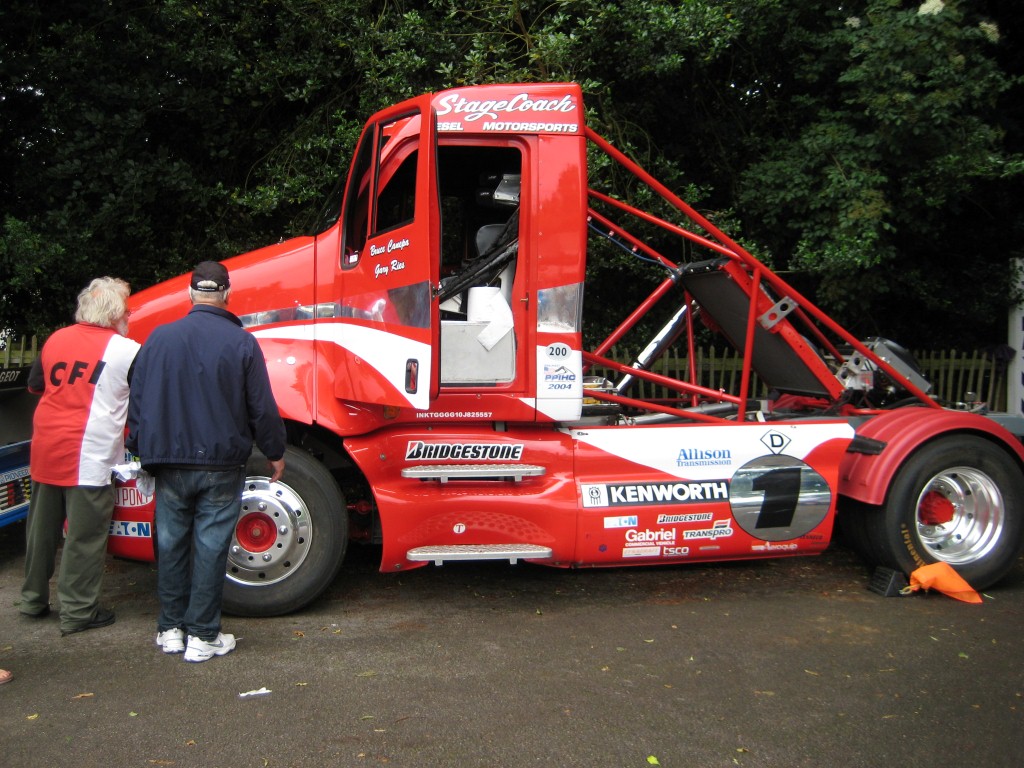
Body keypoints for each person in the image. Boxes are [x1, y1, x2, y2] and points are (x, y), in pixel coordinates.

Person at [126, 261, 286, 663]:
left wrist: (138, 448)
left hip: (167, 462)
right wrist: (275, 451)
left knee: (170, 544)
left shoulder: (158, 339)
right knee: (211, 547)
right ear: (227, 294)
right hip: (220, 464)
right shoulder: (241, 342)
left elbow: (138, 402)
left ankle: (170, 630)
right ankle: (202, 636)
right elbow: (262, 407)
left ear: (190, 293)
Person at [20, 277, 140, 635]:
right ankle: (78, 612)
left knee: (40, 531)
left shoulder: (56, 339)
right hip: (89, 453)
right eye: (127, 309)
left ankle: (32, 599)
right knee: (84, 538)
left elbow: (36, 386)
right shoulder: (127, 350)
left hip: (46, 446)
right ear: (116, 313)